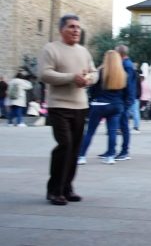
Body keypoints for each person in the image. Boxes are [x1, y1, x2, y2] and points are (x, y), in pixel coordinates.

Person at [38, 14, 97, 205]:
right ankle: (54, 190)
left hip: (80, 106)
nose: (76, 30)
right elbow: (45, 74)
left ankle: (67, 187)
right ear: (61, 29)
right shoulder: (51, 49)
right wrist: (72, 77)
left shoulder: (84, 52)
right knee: (65, 145)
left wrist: (88, 79)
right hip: (59, 106)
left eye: (78, 28)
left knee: (75, 148)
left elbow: (94, 73)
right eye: (72, 27)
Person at [78, 50, 128, 165]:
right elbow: (125, 92)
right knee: (112, 132)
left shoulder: (100, 72)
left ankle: (81, 156)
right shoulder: (122, 73)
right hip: (116, 105)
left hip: (100, 104)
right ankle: (110, 156)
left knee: (90, 132)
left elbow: (92, 90)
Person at [114, 45, 136, 161]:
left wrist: (126, 99)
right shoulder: (128, 64)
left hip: (125, 99)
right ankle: (118, 150)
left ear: (120, 54)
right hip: (126, 98)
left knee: (123, 125)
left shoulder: (126, 65)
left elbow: (126, 83)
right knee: (122, 125)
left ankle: (124, 151)